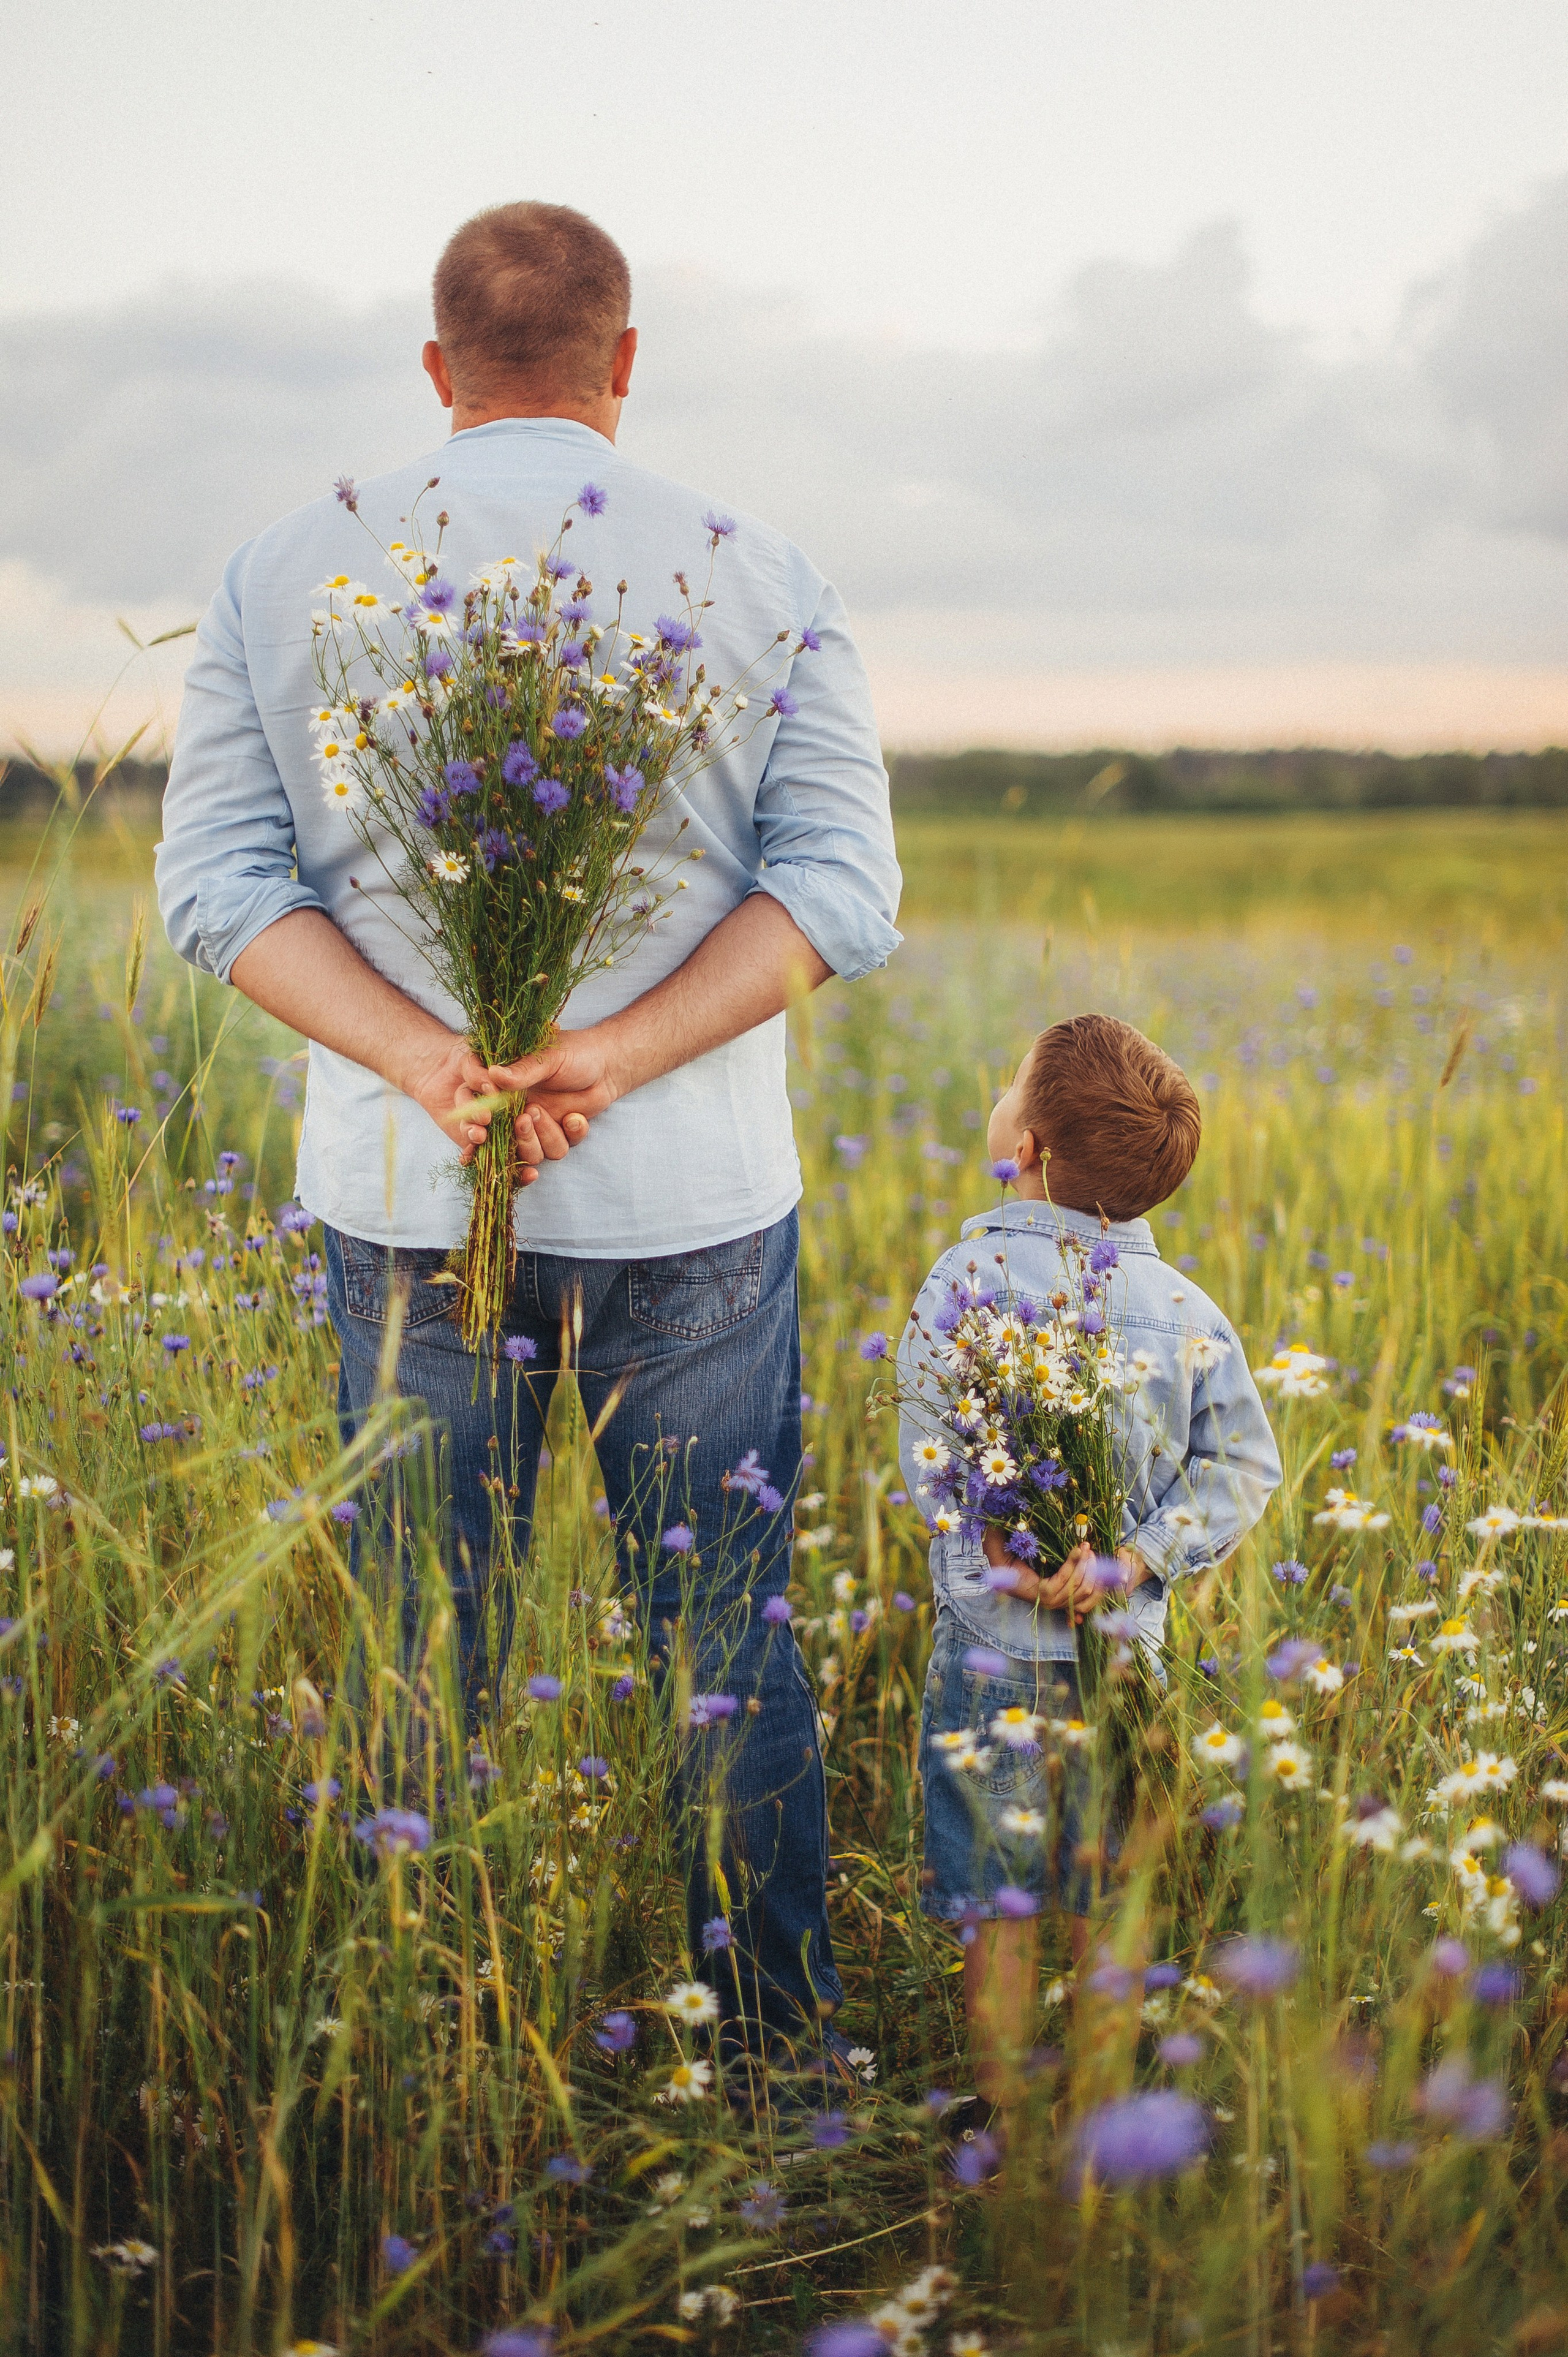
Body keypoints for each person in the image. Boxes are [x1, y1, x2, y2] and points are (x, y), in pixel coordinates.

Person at [156, 201, 902, 2065]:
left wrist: (430, 1066)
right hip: (695, 1209)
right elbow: (847, 889)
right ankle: (776, 2058)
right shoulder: (761, 570)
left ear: (437, 367)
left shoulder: (283, 569)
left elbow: (218, 887)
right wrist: (619, 1053)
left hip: (404, 1194)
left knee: (423, 1642)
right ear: (624, 362)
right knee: (721, 1642)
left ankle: (424, 2046)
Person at [896, 1013, 1280, 2111]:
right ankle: (1106, 2113)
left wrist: (998, 1555)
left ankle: (1010, 2127)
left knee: (998, 1903)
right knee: (1107, 1887)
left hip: (989, 1661)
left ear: (1031, 1149)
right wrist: (1133, 1559)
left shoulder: (963, 1283)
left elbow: (932, 1451)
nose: (1002, 1095)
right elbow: (1244, 1466)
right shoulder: (1186, 1311)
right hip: (1125, 1661)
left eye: (1013, 1083)